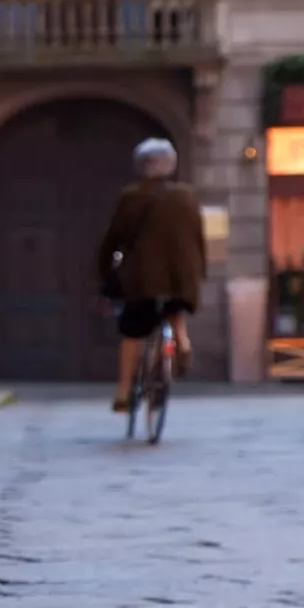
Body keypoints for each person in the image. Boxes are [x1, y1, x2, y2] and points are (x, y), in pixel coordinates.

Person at [96, 137, 206, 412]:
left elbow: (113, 240)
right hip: (183, 277)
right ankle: (181, 340)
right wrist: (199, 271)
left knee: (132, 332)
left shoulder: (131, 196)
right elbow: (198, 238)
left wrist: (104, 273)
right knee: (173, 305)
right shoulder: (187, 196)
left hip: (143, 281)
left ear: (141, 166)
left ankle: (123, 392)